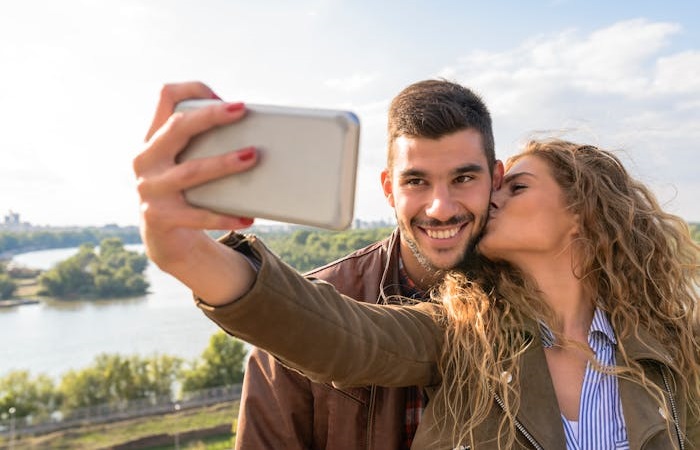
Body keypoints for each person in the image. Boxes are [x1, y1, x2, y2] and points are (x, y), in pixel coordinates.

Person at [136, 122, 699, 447]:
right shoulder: (459, 333)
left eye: (516, 186)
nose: (487, 197)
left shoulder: (672, 342)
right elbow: (338, 333)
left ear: (582, 214)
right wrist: (188, 254)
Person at [134, 80, 503, 448]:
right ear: (389, 189)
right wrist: (187, 253)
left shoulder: (534, 300)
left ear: (496, 180)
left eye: (464, 178)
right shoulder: (295, 319)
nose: (440, 208)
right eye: (416, 181)